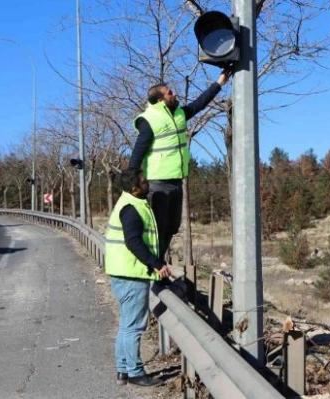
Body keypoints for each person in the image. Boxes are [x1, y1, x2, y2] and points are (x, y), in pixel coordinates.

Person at [128, 68, 232, 263]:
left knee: (172, 227)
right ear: (160, 100)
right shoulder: (148, 120)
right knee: (157, 229)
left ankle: (157, 266)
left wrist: (219, 83)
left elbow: (199, 104)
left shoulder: (178, 114)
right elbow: (137, 153)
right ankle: (152, 267)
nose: (174, 94)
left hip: (176, 181)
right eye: (169, 93)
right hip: (157, 183)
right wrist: (131, 184)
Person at [104, 168, 173, 387]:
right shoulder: (132, 209)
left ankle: (122, 370)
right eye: (144, 182)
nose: (148, 184)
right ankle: (135, 372)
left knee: (126, 325)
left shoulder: (129, 202)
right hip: (130, 275)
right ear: (135, 189)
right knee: (134, 327)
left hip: (122, 273)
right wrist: (157, 264)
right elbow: (134, 243)